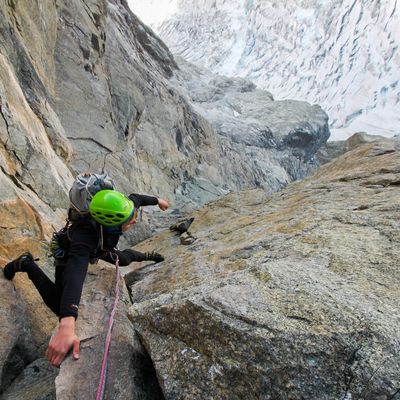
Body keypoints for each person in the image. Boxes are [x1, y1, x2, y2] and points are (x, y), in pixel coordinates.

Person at [2, 189, 169, 368]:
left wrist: (158, 200)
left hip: (99, 246)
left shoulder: (122, 207)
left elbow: (137, 198)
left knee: (125, 259)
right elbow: (76, 273)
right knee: (59, 306)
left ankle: (148, 255)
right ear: (113, 225)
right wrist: (67, 324)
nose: (135, 220)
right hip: (67, 253)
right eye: (130, 221)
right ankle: (26, 264)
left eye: (134, 215)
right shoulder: (83, 238)